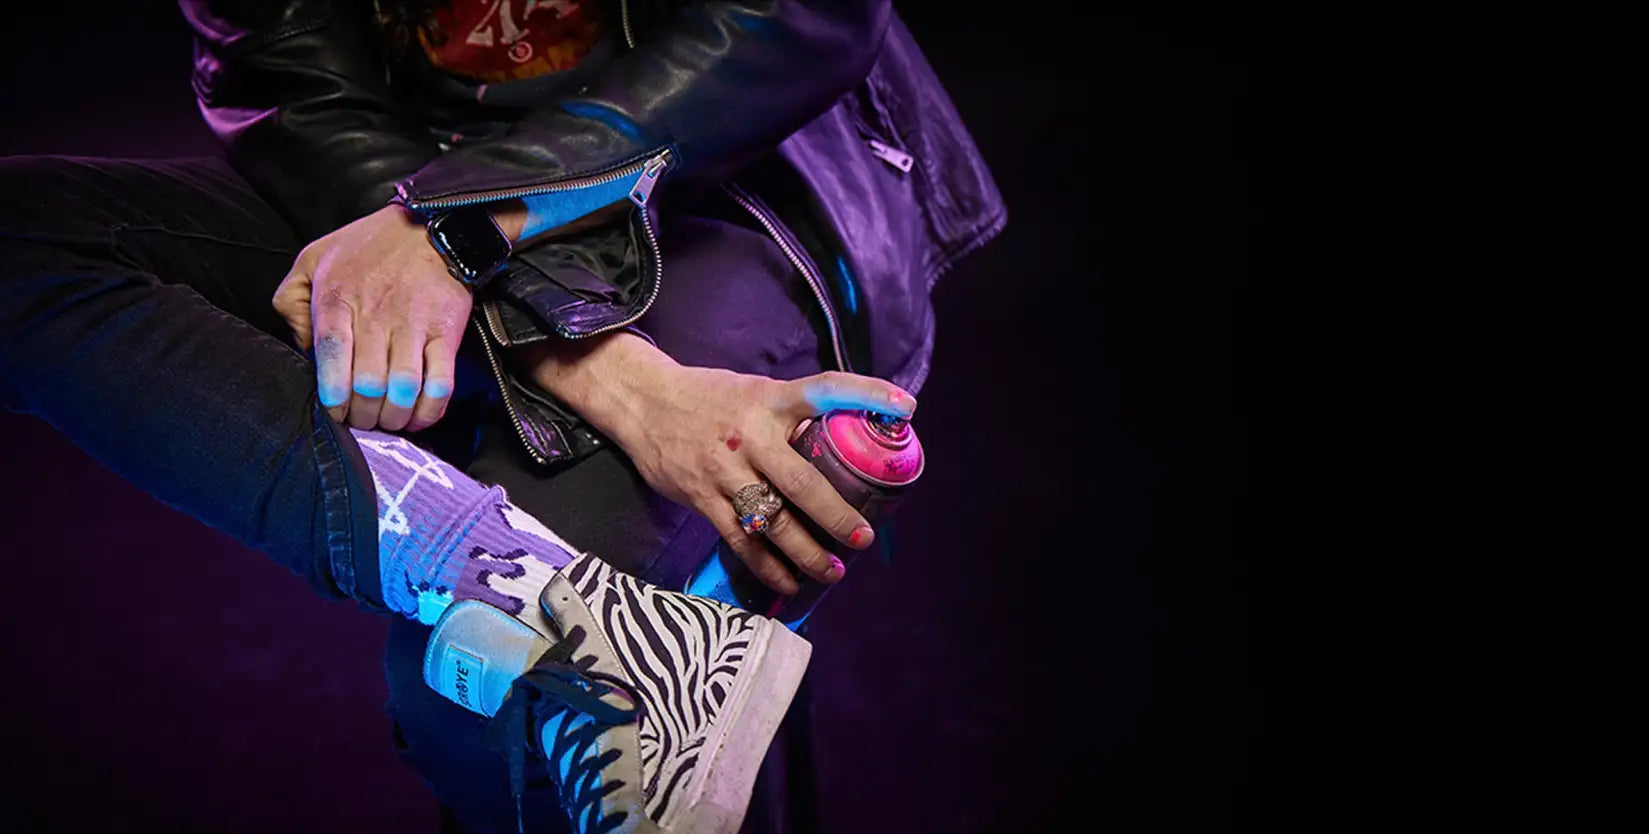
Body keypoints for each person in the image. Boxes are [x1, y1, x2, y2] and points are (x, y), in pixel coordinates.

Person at [0, 0, 1004, 831]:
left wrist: (465, 229)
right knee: (24, 239)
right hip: (393, 182)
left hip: (728, 175)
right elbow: (290, 80)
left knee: (489, 701)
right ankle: (502, 575)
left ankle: (541, 603)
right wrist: (619, 380)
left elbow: (796, 18)